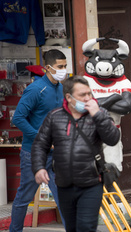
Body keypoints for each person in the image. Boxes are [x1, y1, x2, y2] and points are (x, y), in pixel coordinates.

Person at [31, 76, 120, 232]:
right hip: (64, 184)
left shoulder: (100, 114)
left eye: (89, 94)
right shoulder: (54, 116)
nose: (87, 98)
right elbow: (40, 144)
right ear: (69, 98)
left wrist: (97, 115)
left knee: (86, 227)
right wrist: (39, 168)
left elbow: (113, 139)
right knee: (71, 228)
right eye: (82, 95)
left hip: (91, 183)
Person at [10, 49, 67, 232]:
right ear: (47, 68)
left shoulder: (62, 88)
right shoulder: (36, 89)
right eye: (60, 67)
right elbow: (18, 118)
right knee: (24, 198)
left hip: (57, 155)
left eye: (65, 66)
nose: (63, 70)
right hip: (34, 154)